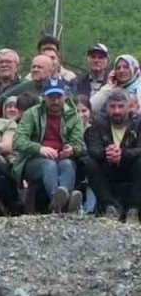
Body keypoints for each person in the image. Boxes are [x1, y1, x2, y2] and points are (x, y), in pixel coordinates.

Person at [13, 78, 85, 214]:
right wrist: (39, 148)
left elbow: (79, 143)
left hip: (62, 158)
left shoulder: (73, 115)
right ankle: (61, 202)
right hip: (33, 160)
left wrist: (72, 149)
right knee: (49, 165)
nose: (56, 101)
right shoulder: (32, 113)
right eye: (51, 97)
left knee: (68, 165)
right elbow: (18, 140)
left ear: (65, 96)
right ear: (44, 97)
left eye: (59, 97)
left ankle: (58, 205)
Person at [85, 89, 141, 222]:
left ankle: (134, 209)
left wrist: (123, 153)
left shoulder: (138, 123)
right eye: (113, 106)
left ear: (128, 107)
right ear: (107, 107)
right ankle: (110, 206)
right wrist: (108, 152)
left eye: (121, 106)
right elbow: (93, 148)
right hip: (107, 166)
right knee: (91, 164)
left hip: (131, 166)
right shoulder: (98, 122)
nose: (117, 111)